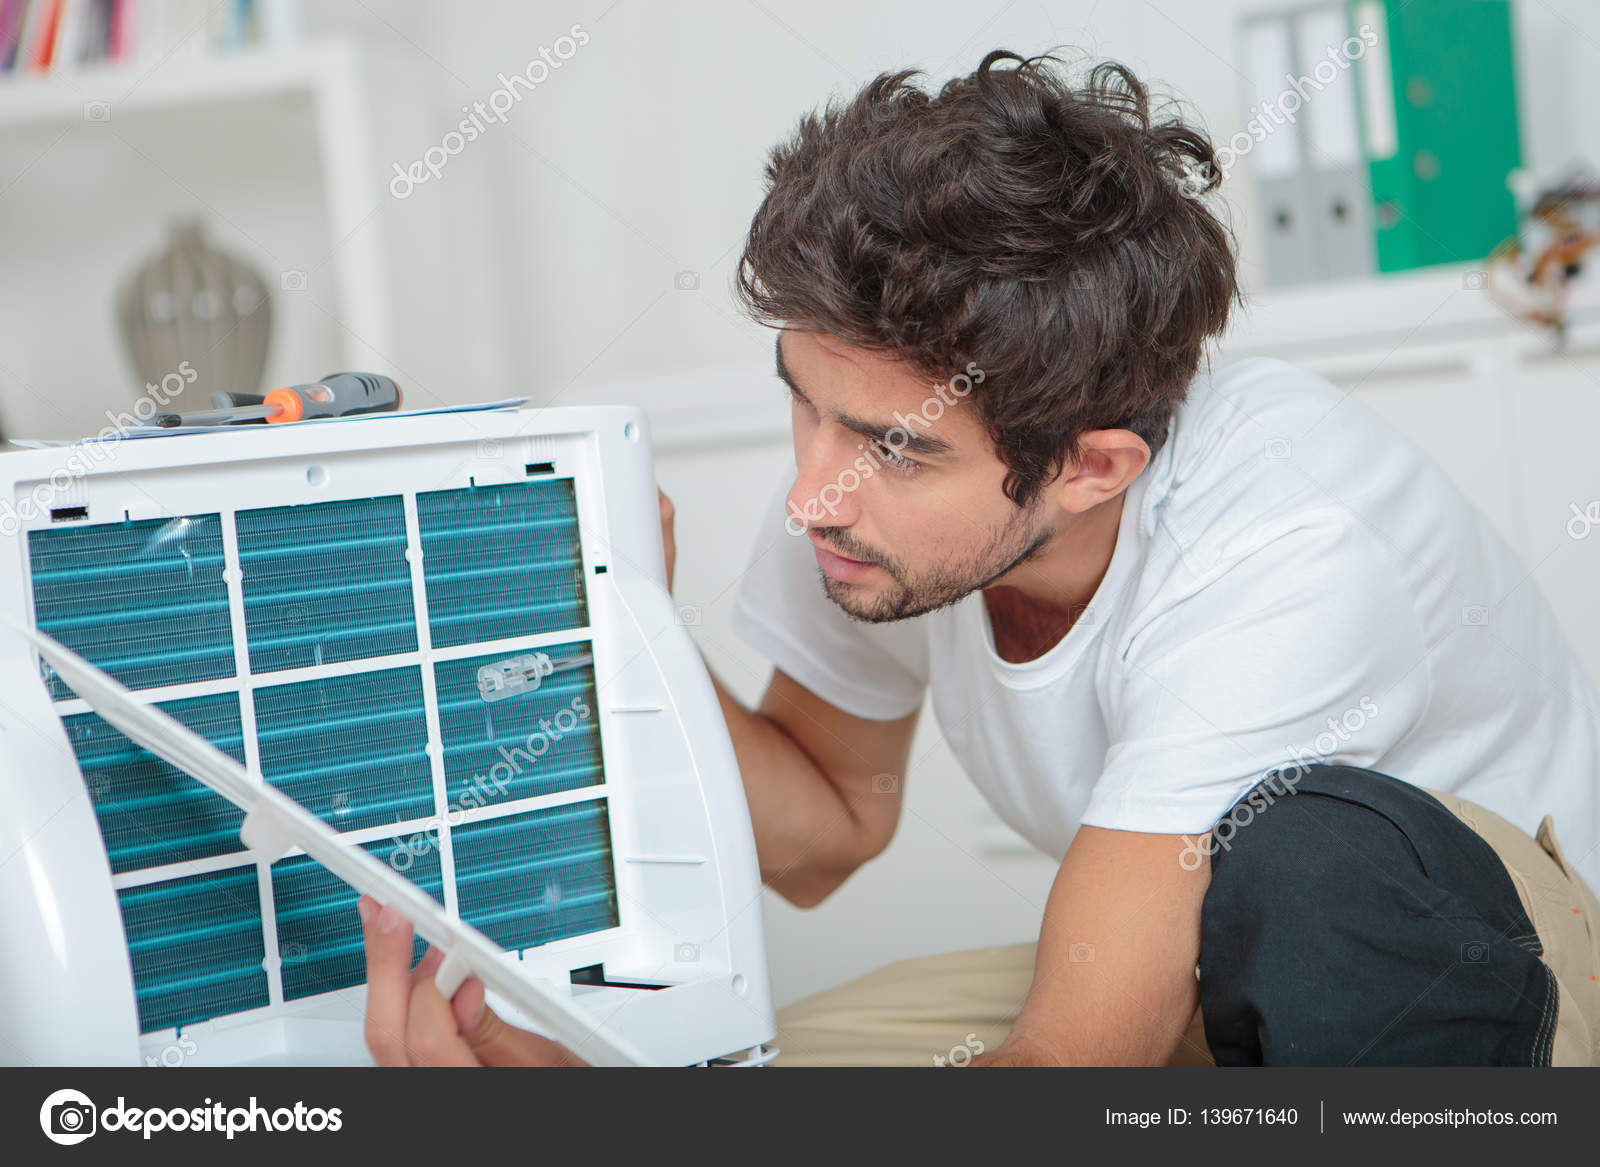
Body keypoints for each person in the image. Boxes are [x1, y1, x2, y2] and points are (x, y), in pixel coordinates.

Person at [358, 49, 1600, 1067]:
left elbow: (1067, 1069)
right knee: (723, 1060)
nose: (809, 495)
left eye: (894, 447)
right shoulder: (854, 496)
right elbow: (826, 831)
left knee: (1303, 865)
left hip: (1503, 982)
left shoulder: (1285, 552)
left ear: (1091, 466)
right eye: (803, 402)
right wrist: (618, 621)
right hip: (1209, 971)